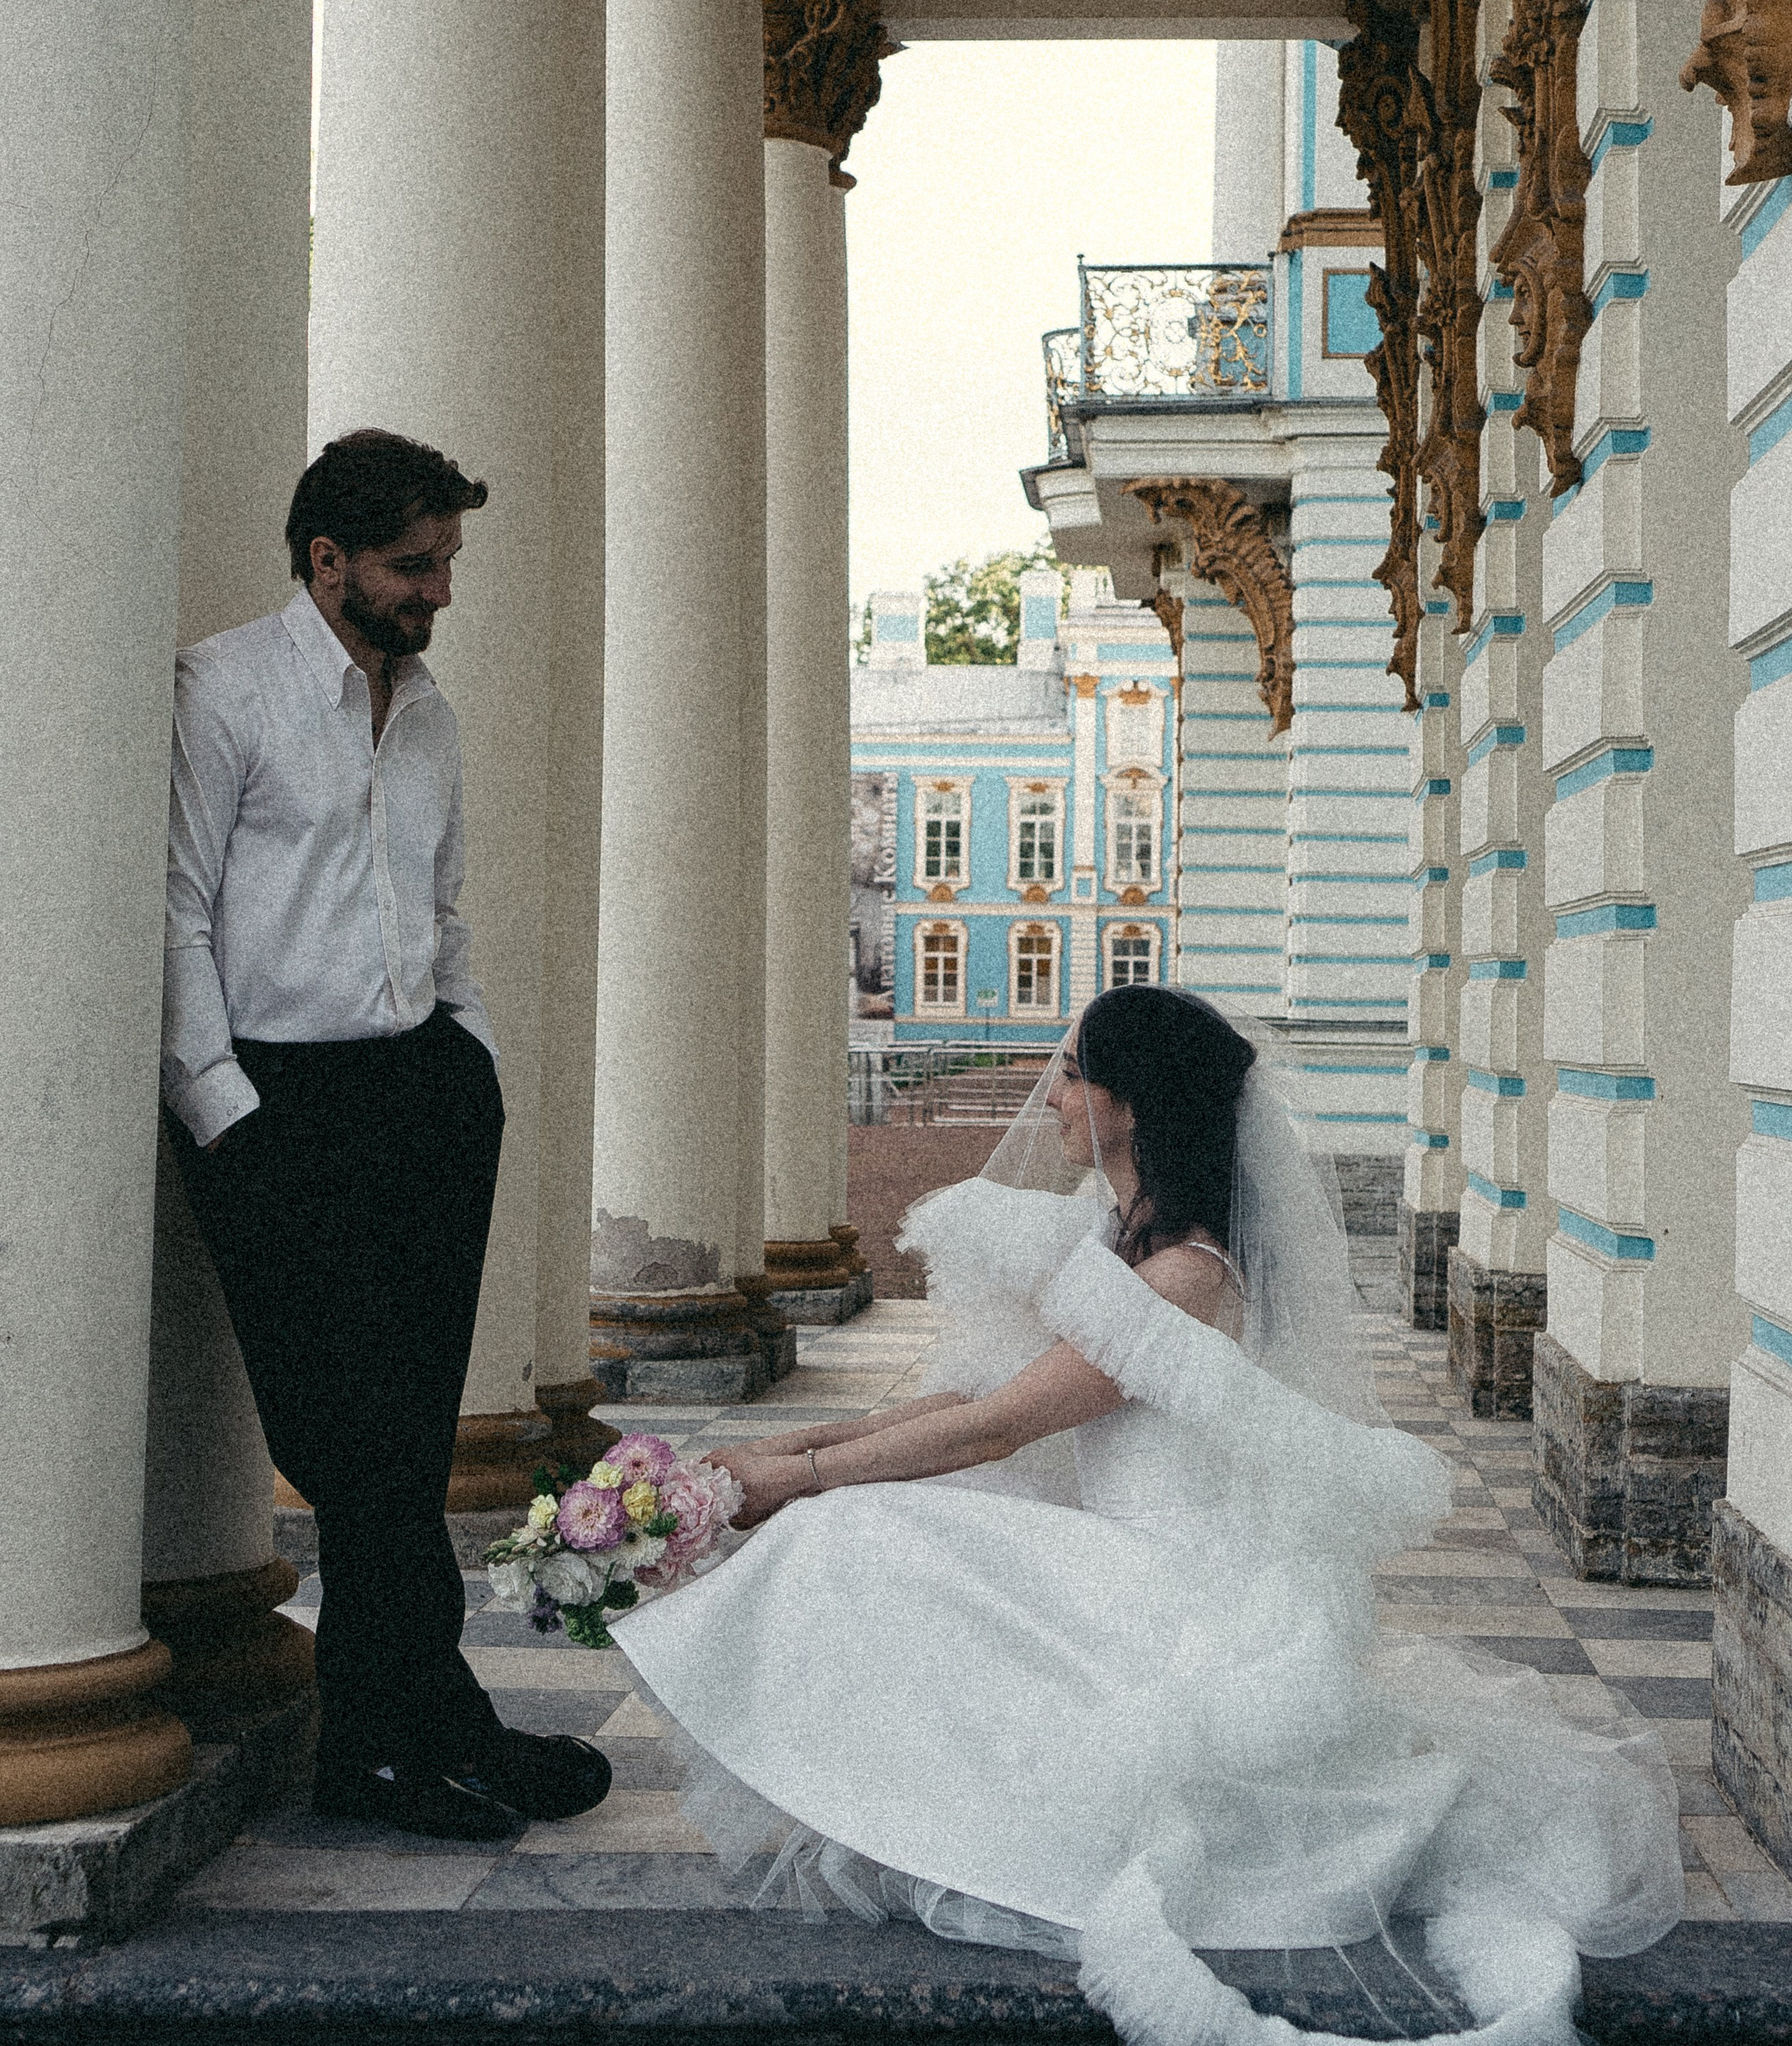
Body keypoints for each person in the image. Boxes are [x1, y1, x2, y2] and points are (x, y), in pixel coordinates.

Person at [612, 985, 1683, 2046]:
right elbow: (973, 1394)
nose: (1053, 1101)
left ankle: (926, 1814)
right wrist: (778, 1454)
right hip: (1118, 1547)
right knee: (870, 1516)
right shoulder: (1119, 1238)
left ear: (1131, 1103)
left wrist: (797, 1481)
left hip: (1177, 1578)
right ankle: (890, 1796)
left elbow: (1000, 1428)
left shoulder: (1182, 1277)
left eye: (1073, 1074)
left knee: (853, 1532)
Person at [160, 428, 610, 1842]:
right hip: (276, 1113)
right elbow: (170, 914)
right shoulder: (222, 693)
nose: (440, 593)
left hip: (418, 1097)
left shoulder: (429, 714)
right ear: (327, 560)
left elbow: (445, 906)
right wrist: (226, 1114)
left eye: (446, 563)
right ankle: (385, 1743)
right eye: (416, 566)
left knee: (405, 1450)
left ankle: (419, 1728)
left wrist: (465, 1059)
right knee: (352, 1449)